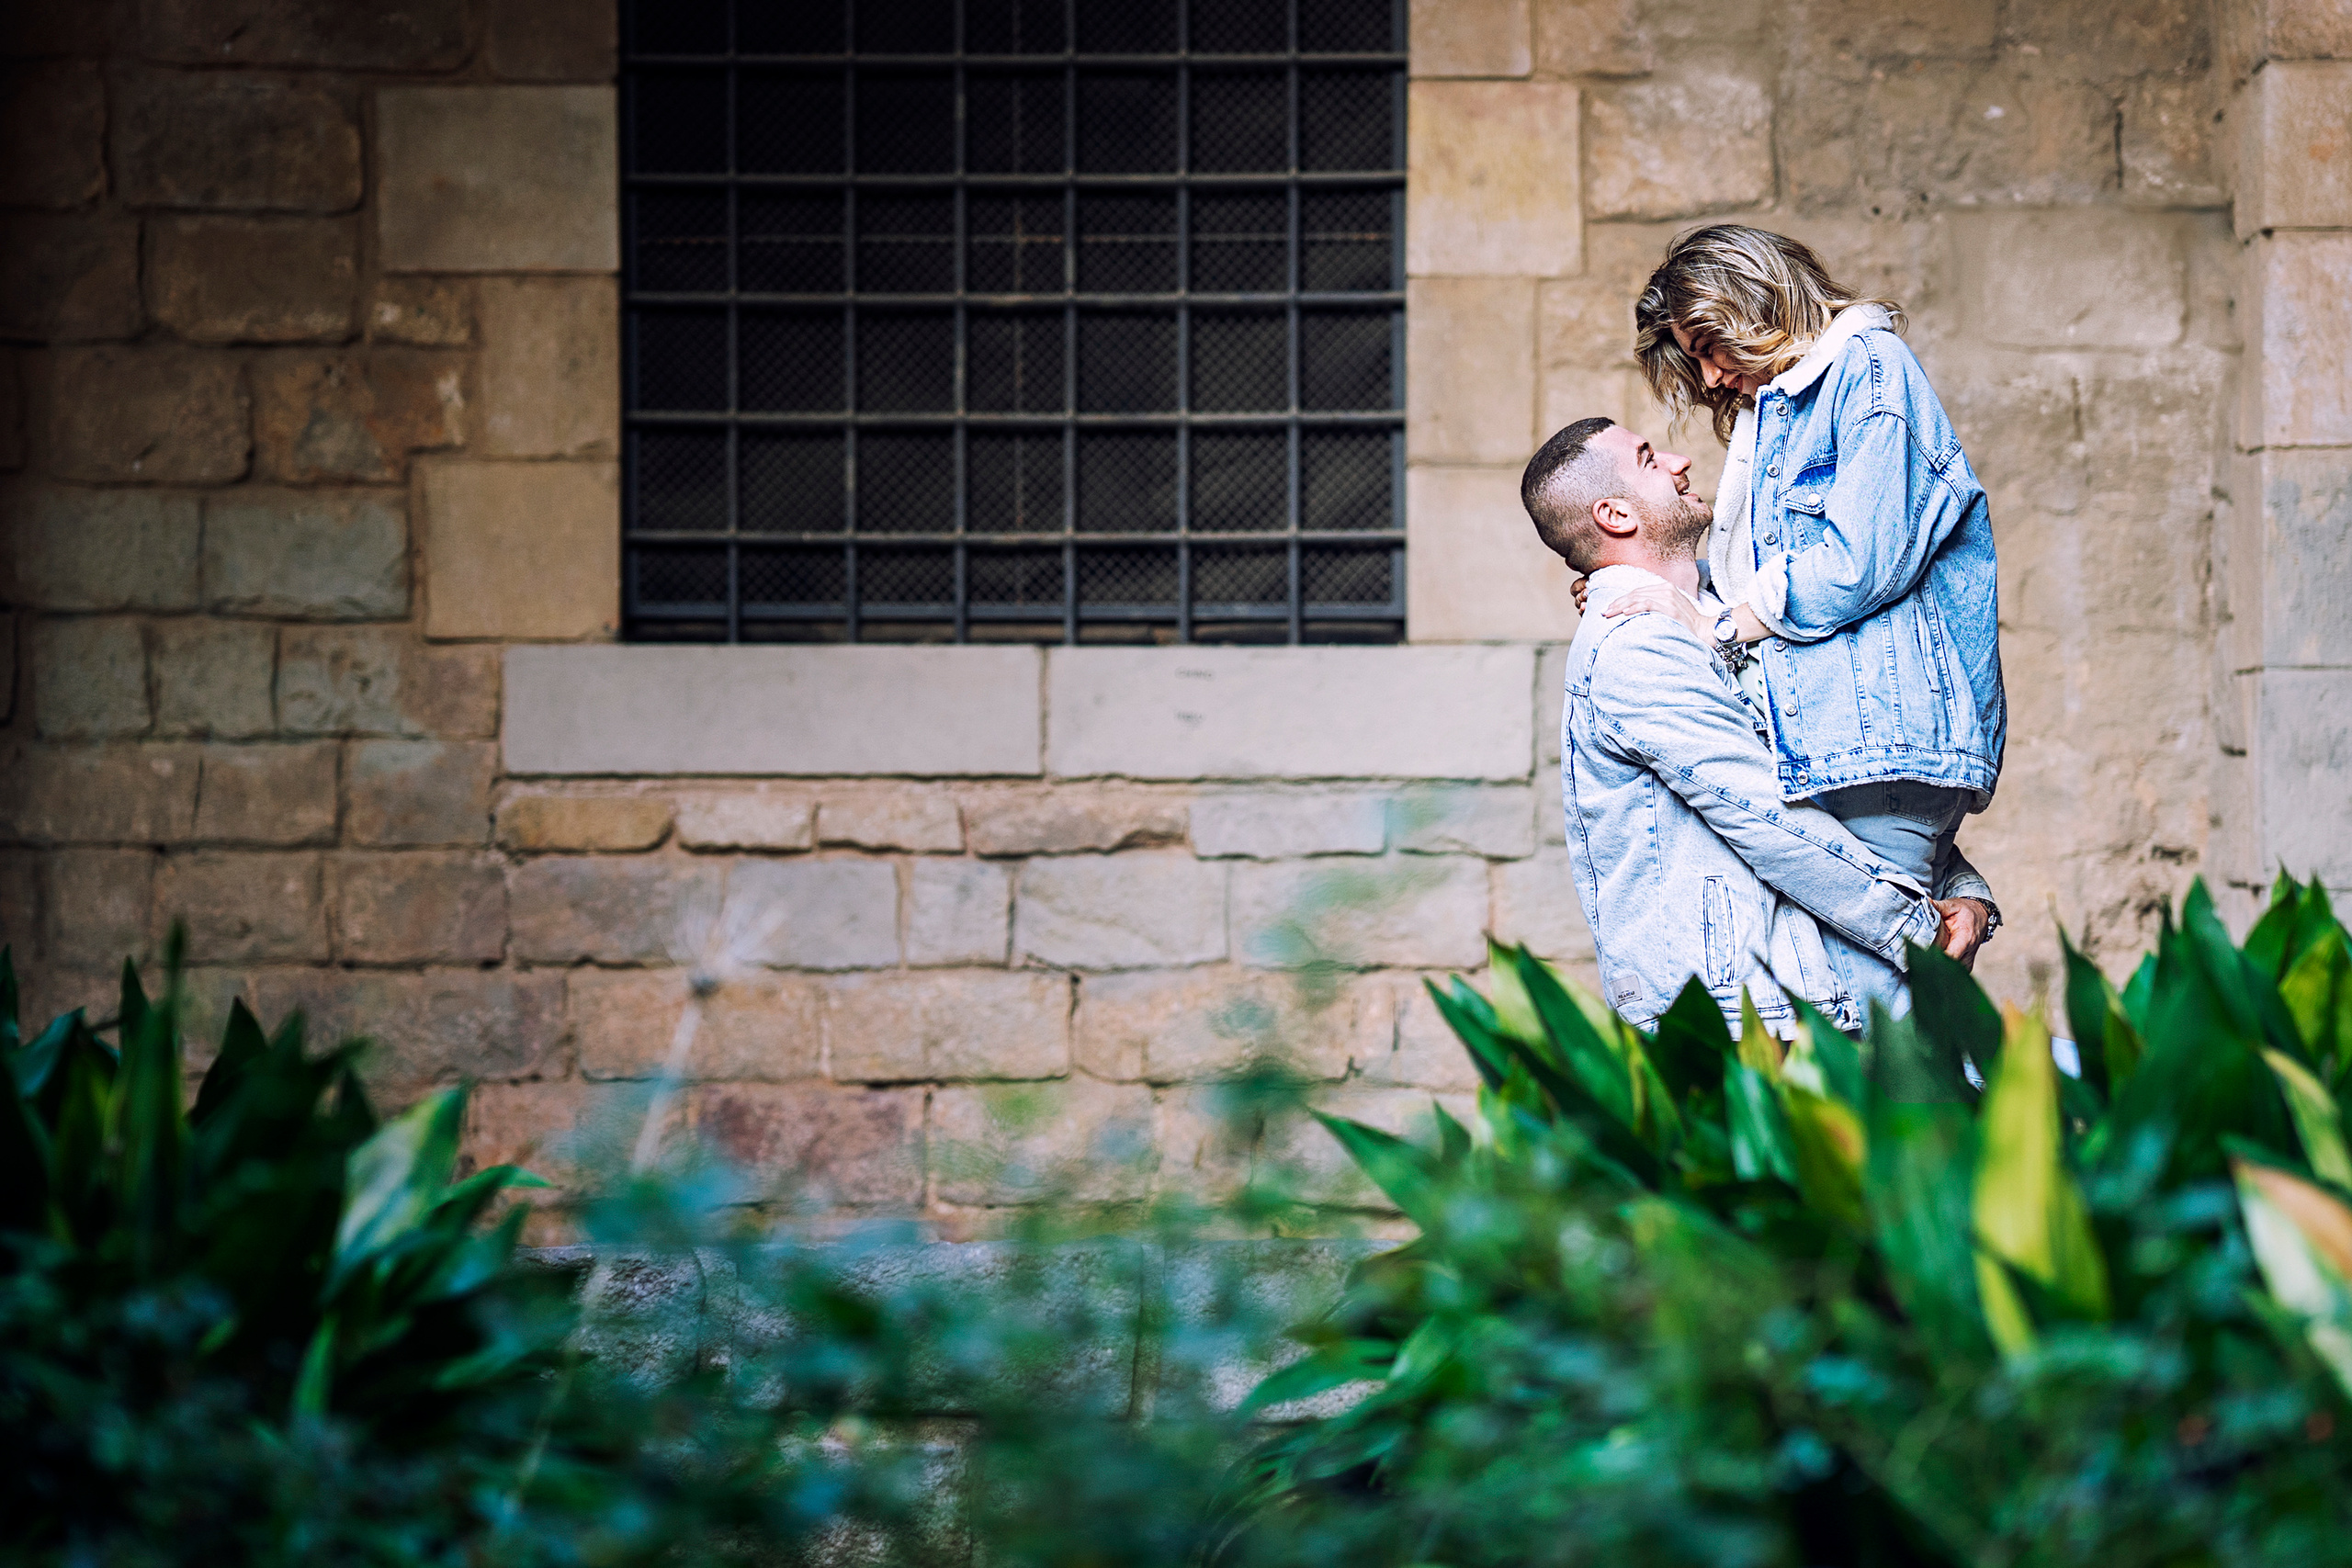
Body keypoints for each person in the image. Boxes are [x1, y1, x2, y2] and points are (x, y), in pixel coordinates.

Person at [1589, 225, 2004, 964]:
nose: (1711, 378)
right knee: (1867, 1010)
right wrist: (1649, 585)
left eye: (1710, 346)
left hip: (1876, 751)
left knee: (1884, 1027)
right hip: (1843, 750)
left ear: (1758, 300)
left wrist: (1710, 625)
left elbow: (1855, 564)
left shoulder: (1870, 369)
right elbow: (1772, 581)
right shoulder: (1779, 411)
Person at [1522, 416, 1980, 1035]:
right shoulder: (1635, 646)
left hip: (1813, 997)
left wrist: (1966, 893)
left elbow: (1840, 780)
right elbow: (1769, 812)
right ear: (1615, 515)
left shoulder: (1730, 613)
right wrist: (1920, 924)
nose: (1681, 461)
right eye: (1651, 458)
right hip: (1742, 1026)